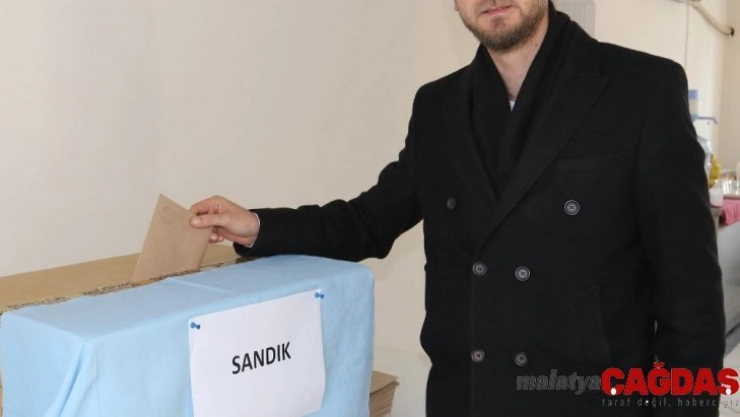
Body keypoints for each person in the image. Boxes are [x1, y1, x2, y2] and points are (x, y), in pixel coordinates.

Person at [190, 1, 725, 415]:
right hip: (465, 399)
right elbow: (367, 221)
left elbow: (692, 297)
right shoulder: (438, 107)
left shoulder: (642, 89)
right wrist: (257, 226)